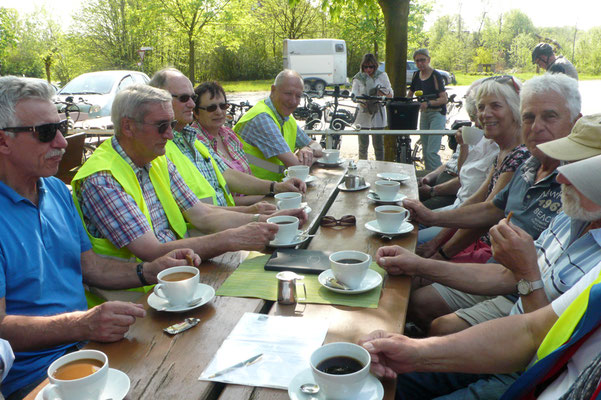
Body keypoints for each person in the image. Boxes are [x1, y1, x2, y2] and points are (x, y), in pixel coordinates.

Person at [0, 76, 200, 399]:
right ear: (3, 142)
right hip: (41, 377)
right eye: (47, 133)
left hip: (93, 349)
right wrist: (83, 324)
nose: (63, 143)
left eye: (62, 126)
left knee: (191, 368)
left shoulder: (54, 190)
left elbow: (91, 267)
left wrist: (148, 270)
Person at [360, 155, 601, 400]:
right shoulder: (571, 217)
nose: (559, 176)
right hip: (509, 340)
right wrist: (418, 265)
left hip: (532, 373)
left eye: (582, 170)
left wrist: (527, 272)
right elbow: (524, 318)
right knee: (374, 380)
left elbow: (544, 349)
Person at [401, 73, 582, 336]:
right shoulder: (529, 163)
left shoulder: (576, 180)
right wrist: (429, 217)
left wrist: (438, 251)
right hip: (496, 271)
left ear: (575, 122)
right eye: (529, 117)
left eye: (549, 116)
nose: (536, 127)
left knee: (434, 317)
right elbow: (491, 208)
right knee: (414, 296)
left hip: (526, 286)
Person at [71, 85, 306, 285]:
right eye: (161, 126)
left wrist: (267, 222)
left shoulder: (155, 158)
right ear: (128, 127)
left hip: (177, 279)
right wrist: (233, 238)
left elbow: (201, 213)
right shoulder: (102, 178)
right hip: (135, 299)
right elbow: (151, 252)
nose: (170, 135)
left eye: (171, 125)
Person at [149, 69, 306, 209]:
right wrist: (256, 210)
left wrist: (275, 188)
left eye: (223, 106)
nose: (191, 103)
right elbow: (200, 213)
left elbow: (226, 175)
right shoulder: (161, 146)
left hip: (233, 215)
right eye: (184, 98)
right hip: (211, 229)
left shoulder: (193, 137)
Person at [234, 69, 323, 181]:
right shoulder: (262, 118)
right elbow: (296, 166)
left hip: (273, 188)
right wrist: (308, 158)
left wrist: (307, 149)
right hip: (249, 192)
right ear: (273, 90)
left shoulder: (286, 118)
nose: (293, 101)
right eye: (288, 93)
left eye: (298, 96)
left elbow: (318, 148)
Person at [408, 48, 449, 171]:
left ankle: (437, 179)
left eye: (423, 60)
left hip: (437, 114)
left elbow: (444, 98)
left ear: (428, 60)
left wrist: (429, 103)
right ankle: (427, 178)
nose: (420, 63)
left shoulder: (435, 75)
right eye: (417, 61)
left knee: (431, 151)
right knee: (425, 151)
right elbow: (410, 94)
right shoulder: (416, 75)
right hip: (424, 114)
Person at [351, 53, 393, 160]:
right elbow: (354, 93)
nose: (368, 69)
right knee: (363, 145)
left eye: (371, 67)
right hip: (363, 112)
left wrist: (380, 93)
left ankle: (380, 167)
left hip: (377, 111)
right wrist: (359, 100)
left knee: (378, 145)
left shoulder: (382, 76)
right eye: (366, 67)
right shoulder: (358, 77)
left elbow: (390, 94)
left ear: (375, 66)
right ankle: (362, 167)